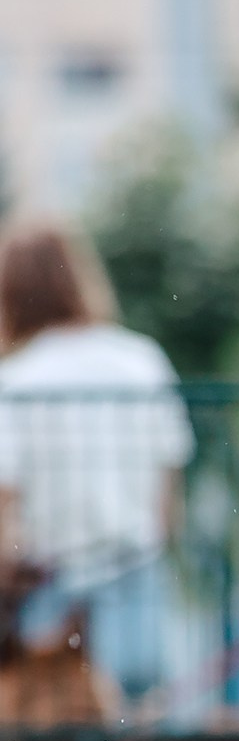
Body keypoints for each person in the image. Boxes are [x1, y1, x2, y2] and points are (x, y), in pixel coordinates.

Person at [0, 220, 193, 701]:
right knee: (147, 729)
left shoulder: (16, 382)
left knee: (54, 738)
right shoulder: (141, 361)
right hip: (139, 578)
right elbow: (167, 497)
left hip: (52, 592)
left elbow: (8, 509)